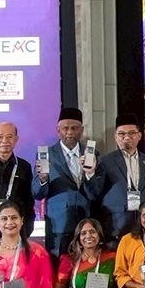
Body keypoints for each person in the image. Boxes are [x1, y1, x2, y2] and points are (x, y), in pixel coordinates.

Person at [32, 107, 92, 259]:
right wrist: (43, 179)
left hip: (86, 223)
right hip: (59, 225)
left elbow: (97, 191)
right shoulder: (46, 154)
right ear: (58, 130)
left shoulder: (91, 153)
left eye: (74, 128)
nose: (70, 132)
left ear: (82, 130)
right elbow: (37, 193)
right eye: (65, 128)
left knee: (86, 266)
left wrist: (90, 174)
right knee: (59, 268)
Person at [84, 113, 145, 242]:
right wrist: (90, 173)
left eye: (132, 133)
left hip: (144, 226)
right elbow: (94, 194)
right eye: (122, 134)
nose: (127, 137)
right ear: (116, 137)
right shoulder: (105, 161)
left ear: (139, 136)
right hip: (116, 227)